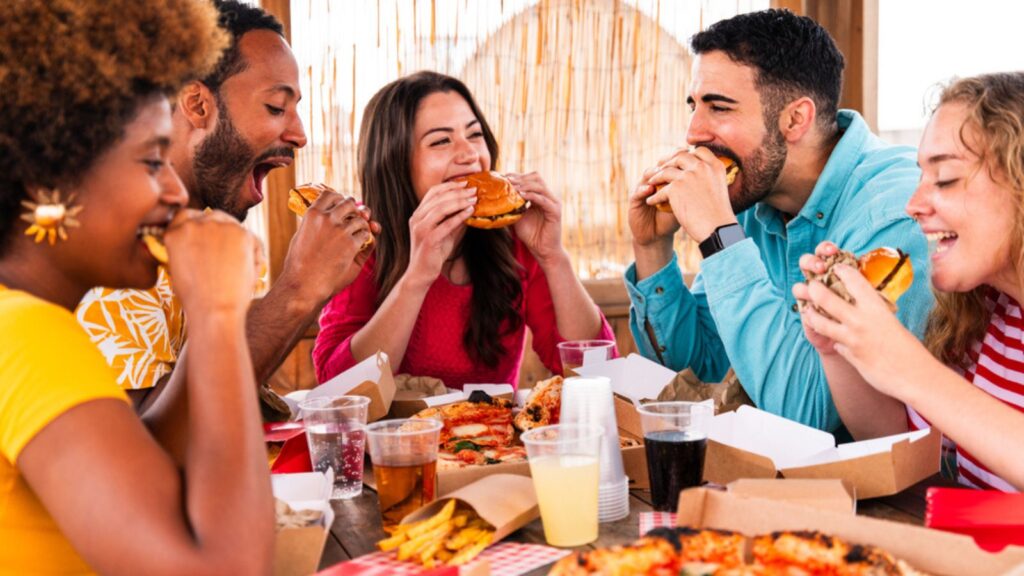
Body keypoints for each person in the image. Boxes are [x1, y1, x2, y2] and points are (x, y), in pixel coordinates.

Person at [0, 0, 275, 572]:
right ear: (52, 177)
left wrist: (207, 318)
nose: (176, 192)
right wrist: (221, 317)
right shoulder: (29, 335)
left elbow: (144, 461)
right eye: (153, 162)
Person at [626, 9, 932, 432]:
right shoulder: (753, 198)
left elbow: (810, 417)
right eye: (693, 105)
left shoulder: (897, 214)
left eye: (718, 107)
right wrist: (651, 249)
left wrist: (719, 237)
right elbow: (704, 369)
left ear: (794, 119)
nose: (693, 132)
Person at [76, 0, 373, 415]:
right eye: (275, 107)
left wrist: (314, 286)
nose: (300, 134)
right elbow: (142, 439)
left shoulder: (221, 238)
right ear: (198, 105)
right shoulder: (115, 239)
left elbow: (235, 401)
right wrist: (297, 290)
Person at [794, 72, 1024, 492]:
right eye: (921, 176)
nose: (913, 205)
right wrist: (838, 345)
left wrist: (910, 369)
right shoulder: (991, 310)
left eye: (947, 179)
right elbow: (897, 447)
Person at [313, 71, 615, 389]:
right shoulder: (362, 241)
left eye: (474, 135)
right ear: (395, 162)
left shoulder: (515, 238)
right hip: (394, 438)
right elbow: (338, 392)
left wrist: (553, 256)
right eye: (441, 141)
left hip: (494, 435)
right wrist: (416, 278)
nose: (470, 154)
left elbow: (597, 371)